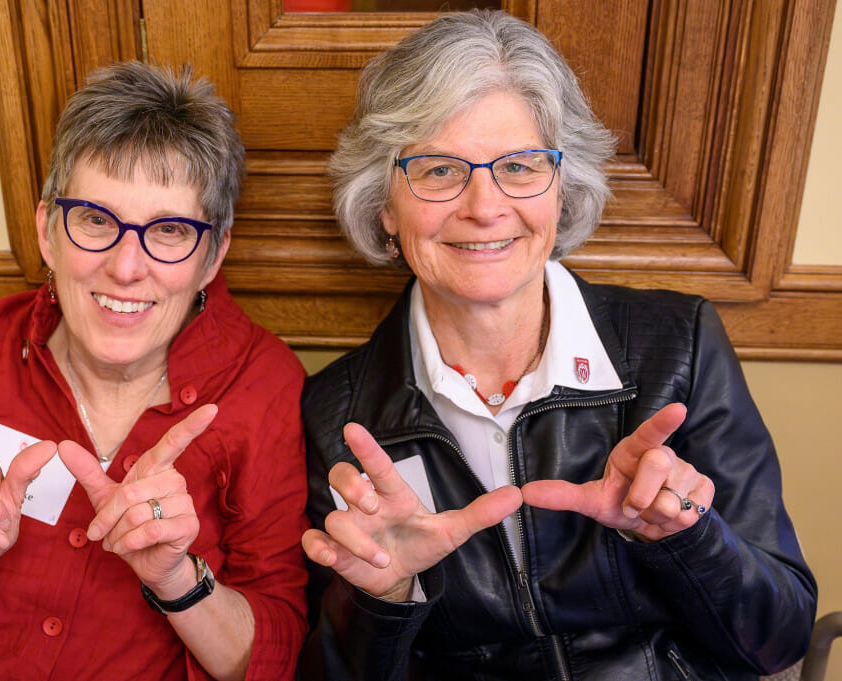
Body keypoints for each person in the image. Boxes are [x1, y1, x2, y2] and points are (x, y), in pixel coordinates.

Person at [298, 10, 817, 680]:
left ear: (562, 190)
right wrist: (383, 595)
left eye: (519, 165)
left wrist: (684, 537)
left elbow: (781, 639)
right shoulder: (337, 413)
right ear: (384, 205)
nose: (485, 206)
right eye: (437, 171)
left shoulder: (679, 346)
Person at [0, 61, 309, 681]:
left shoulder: (263, 387)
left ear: (213, 256)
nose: (127, 268)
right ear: (49, 231)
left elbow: (277, 659)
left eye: (171, 230)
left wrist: (178, 581)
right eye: (96, 220)